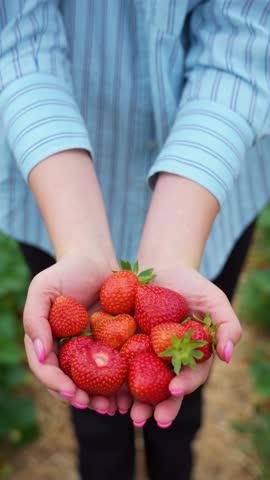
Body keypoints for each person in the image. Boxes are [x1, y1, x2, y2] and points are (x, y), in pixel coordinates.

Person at [0, 1, 269, 479]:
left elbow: (244, 43)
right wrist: (81, 247)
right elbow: (19, 40)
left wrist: (172, 252)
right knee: (95, 418)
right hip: (58, 189)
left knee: (179, 402)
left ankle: (175, 464)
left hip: (211, 187)